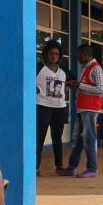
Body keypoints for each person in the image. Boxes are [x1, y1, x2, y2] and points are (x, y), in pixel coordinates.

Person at [60, 44, 103, 178]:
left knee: (89, 139)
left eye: (79, 55)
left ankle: (92, 169)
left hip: (90, 110)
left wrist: (80, 85)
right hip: (83, 109)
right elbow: (88, 87)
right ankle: (72, 167)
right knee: (78, 139)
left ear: (85, 54)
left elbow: (101, 90)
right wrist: (76, 85)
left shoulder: (95, 68)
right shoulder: (86, 68)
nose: (77, 58)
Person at [36, 40, 69, 175]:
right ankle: (36, 168)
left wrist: (68, 86)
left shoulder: (63, 70)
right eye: (51, 54)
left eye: (56, 54)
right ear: (46, 54)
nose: (54, 56)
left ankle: (59, 166)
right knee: (39, 138)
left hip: (59, 108)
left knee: (57, 137)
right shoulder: (38, 68)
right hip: (43, 107)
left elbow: (71, 82)